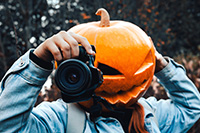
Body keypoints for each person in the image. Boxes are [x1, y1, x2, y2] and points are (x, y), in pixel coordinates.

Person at [0, 31, 200, 133]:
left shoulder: (150, 115)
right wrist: (38, 61)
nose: (107, 80)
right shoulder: (60, 119)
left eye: (120, 67)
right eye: (94, 68)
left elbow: (192, 107)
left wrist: (160, 64)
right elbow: (8, 127)